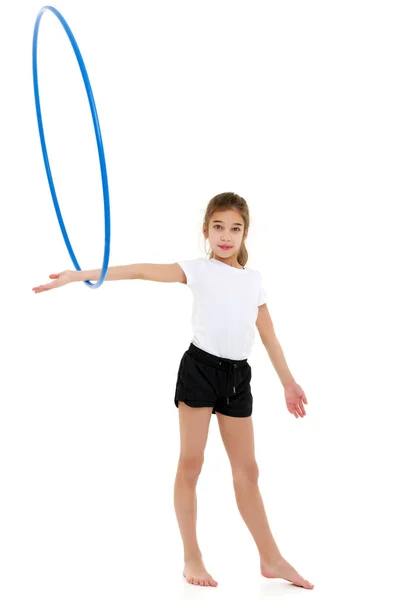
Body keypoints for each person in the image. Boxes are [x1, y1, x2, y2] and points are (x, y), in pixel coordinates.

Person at [32, 191, 313, 590]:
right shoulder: (197, 269)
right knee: (191, 463)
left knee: (247, 471)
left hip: (237, 379)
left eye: (235, 228)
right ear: (206, 231)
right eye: (219, 227)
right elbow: (142, 271)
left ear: (246, 234)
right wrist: (81, 275)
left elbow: (269, 337)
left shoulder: (254, 281)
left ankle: (271, 558)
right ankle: (192, 557)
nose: (226, 236)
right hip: (199, 371)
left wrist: (289, 382)